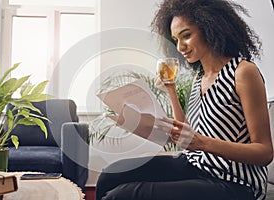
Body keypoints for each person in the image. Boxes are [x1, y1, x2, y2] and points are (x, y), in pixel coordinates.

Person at [96, 0, 273, 199]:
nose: (180, 47)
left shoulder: (243, 72)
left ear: (210, 27)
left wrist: (203, 143)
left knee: (122, 195)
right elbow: (187, 135)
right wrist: (170, 91)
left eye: (186, 36)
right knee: (110, 175)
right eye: (175, 40)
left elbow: (264, 152)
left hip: (234, 182)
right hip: (195, 164)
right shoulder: (200, 78)